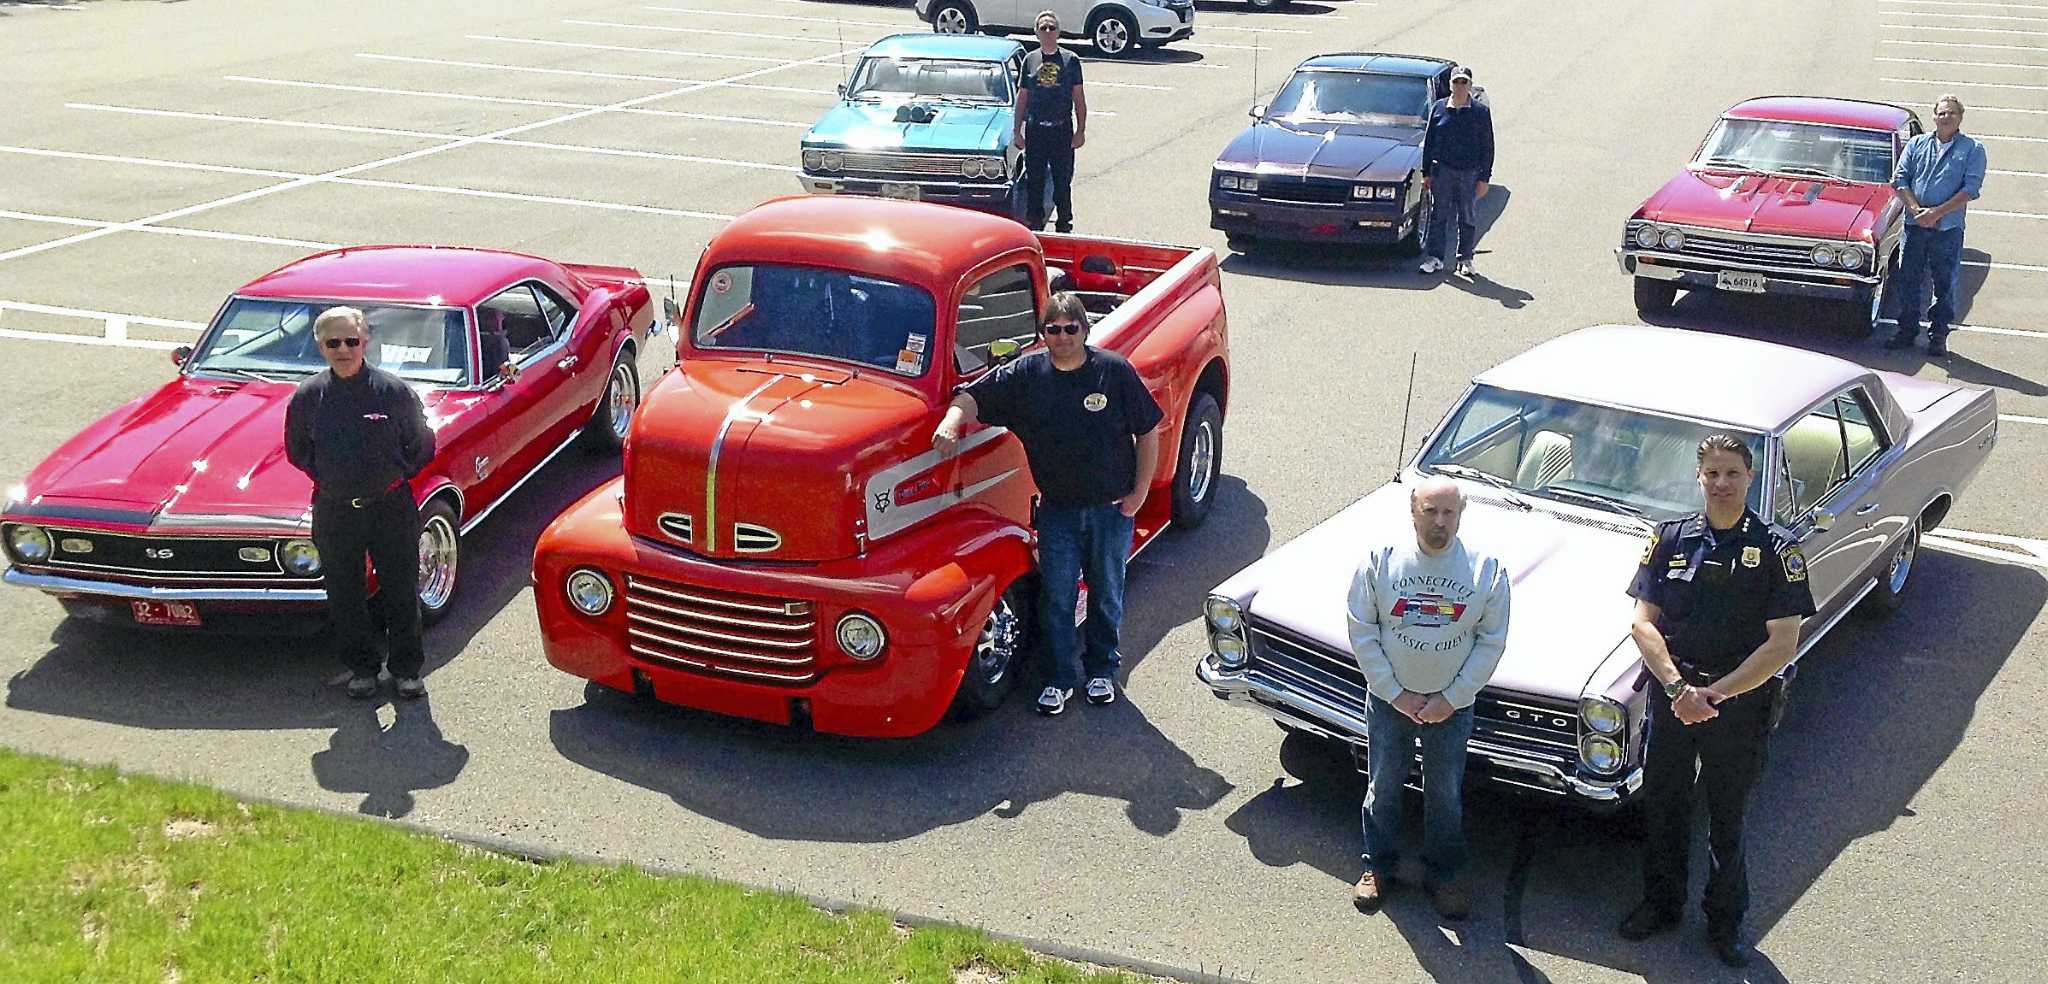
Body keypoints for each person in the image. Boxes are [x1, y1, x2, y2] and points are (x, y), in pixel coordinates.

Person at [1619, 434, 1816, 968]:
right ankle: (1661, 906)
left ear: (1750, 479)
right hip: (1675, 696)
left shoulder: (1777, 550)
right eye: (1713, 474)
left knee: (1727, 816)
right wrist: (1680, 689)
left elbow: (1782, 642)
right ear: (1699, 477)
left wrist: (1716, 693)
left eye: (1733, 474)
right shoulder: (1670, 538)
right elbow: (1642, 625)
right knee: (1664, 807)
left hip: (1738, 704)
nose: (1722, 483)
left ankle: (1725, 923)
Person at [932, 291, 1160, 715]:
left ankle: (1101, 671)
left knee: (1107, 594)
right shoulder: (1025, 375)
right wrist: (950, 421)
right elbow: (971, 396)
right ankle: (1059, 678)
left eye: (1070, 328)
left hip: (1112, 509)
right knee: (1056, 597)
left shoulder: (1113, 372)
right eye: (1052, 329)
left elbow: (1149, 431)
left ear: (1085, 330)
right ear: (1043, 334)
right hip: (1057, 512)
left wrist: (1140, 493)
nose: (1061, 337)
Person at [1344, 476, 1511, 921]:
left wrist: (1452, 698)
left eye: (1448, 513)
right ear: (1412, 511)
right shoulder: (1380, 562)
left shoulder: (1485, 570)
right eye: (1430, 511)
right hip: (1388, 701)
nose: (1439, 522)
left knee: (1444, 792)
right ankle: (1377, 866)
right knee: (1383, 785)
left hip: (1450, 708)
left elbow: (1491, 642)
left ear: (1461, 515)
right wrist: (1394, 693)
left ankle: (1445, 874)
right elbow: (1362, 630)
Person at [284, 306, 437, 700]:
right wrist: (332, 479)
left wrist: (393, 475)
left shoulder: (393, 392)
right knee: (344, 593)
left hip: (390, 507)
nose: (343, 349)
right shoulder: (308, 397)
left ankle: (406, 671)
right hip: (335, 510)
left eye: (351, 341)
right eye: (333, 342)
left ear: (365, 342)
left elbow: (422, 445)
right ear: (320, 346)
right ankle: (363, 670)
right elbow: (297, 450)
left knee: (401, 589)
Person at [1888, 94, 1987, 358]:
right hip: (1914, 225)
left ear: (1960, 117)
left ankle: (1938, 336)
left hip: (1947, 229)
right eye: (1942, 113)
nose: (1946, 118)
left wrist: (1937, 213)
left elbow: (1971, 189)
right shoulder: (1918, 144)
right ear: (1934, 117)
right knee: (1908, 280)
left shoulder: (1973, 149)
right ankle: (1907, 330)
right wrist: (1916, 210)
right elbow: (1900, 178)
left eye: (1951, 113)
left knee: (1944, 285)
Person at [1016, 10, 1086, 233]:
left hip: (1061, 130)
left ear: (1058, 32)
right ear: (1036, 32)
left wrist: (1081, 131)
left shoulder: (1070, 60)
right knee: (1034, 180)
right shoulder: (1030, 59)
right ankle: (1035, 223)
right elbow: (1022, 98)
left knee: (1062, 181)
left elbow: (1079, 98)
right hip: (1036, 129)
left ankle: (1064, 223)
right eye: (1043, 27)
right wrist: (1017, 131)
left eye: (1051, 28)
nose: (1047, 31)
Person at [1420, 66, 1493, 278]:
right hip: (1442, 171)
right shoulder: (1439, 108)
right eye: (1456, 82)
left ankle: (1465, 258)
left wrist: (1484, 178)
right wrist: (1426, 172)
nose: (1460, 87)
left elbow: (1488, 146)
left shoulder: (1480, 112)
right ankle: (1435, 258)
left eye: (1464, 82)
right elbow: (1429, 140)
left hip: (1469, 173)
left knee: (1467, 216)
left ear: (1470, 85)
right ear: (1450, 85)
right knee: (1439, 215)